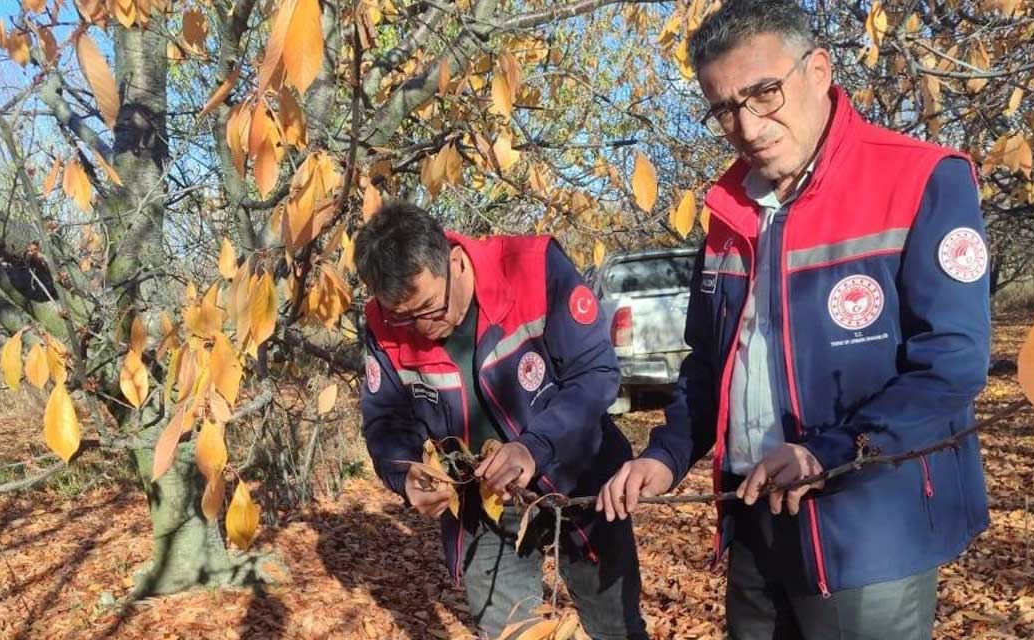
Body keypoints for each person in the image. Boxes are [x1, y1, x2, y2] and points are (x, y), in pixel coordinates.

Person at [596, 1, 991, 638]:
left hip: (868, 524)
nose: (747, 126)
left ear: (818, 70)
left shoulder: (921, 179)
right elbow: (710, 365)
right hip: (753, 519)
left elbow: (952, 363)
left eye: (764, 93)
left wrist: (827, 452)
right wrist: (665, 456)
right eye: (724, 107)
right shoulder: (728, 209)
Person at [356, 202, 647, 639]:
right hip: (483, 507)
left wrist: (535, 447)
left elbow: (595, 373)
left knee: (616, 628)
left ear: (453, 262)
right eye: (403, 315)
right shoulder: (382, 323)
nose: (418, 327)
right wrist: (406, 473)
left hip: (581, 484)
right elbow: (385, 418)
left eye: (429, 308)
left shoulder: (531, 268)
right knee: (508, 633)